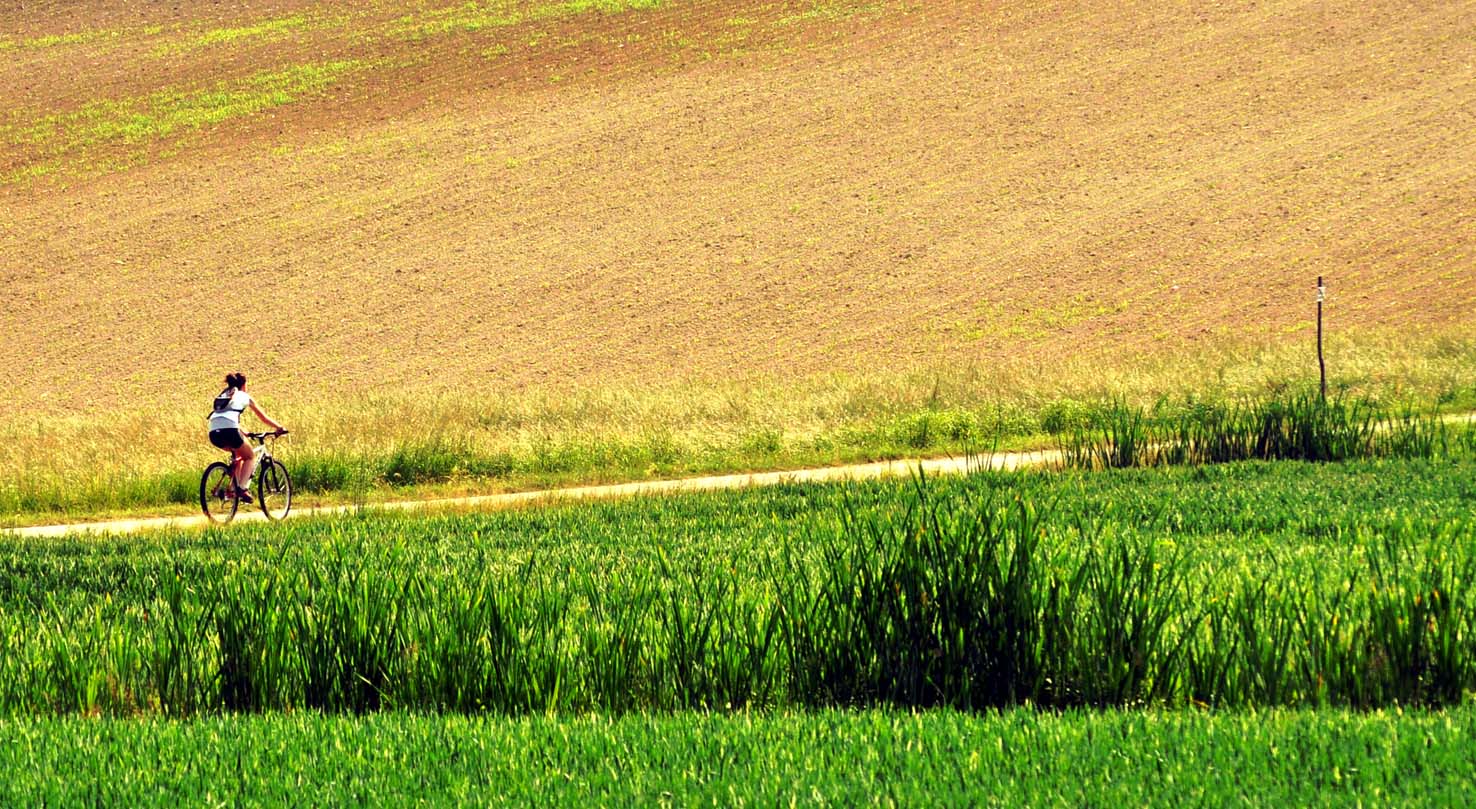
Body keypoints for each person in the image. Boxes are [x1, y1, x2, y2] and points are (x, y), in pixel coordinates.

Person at [207, 372, 287, 504]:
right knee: (249, 456)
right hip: (231, 430)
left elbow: (226, 417)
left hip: (214, 432)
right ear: (244, 385)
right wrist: (279, 428)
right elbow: (263, 417)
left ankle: (232, 490)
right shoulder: (244, 396)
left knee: (238, 456)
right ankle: (242, 489)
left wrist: (243, 431)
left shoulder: (225, 394)